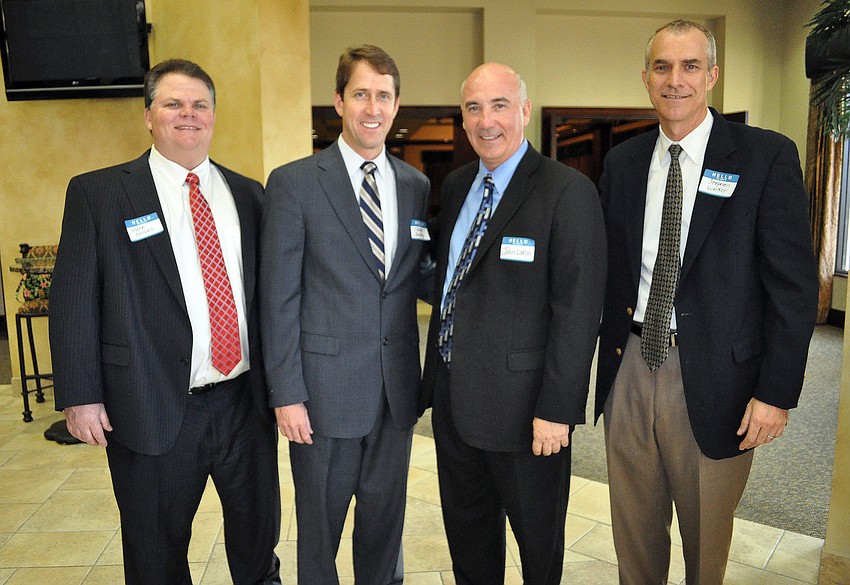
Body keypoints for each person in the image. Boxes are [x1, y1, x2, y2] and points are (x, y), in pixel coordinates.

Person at [596, 19, 819, 585]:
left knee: (705, 548)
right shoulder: (622, 164)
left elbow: (793, 288)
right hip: (630, 366)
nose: (676, 80)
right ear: (646, 78)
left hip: (719, 377)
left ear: (712, 75)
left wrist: (775, 393)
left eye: (690, 66)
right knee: (634, 540)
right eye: (663, 67)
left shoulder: (764, 156)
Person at [49, 59, 281, 585]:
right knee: (156, 554)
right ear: (149, 116)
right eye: (173, 104)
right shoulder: (100, 194)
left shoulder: (248, 195)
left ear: (214, 116)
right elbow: (73, 301)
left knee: (257, 542)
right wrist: (80, 395)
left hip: (244, 404)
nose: (188, 115)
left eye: (200, 105)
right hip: (150, 405)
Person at [419, 63, 607, 585]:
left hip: (528, 418)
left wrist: (557, 410)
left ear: (524, 110)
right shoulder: (457, 186)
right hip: (455, 406)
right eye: (474, 108)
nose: (486, 121)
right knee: (470, 546)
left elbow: (578, 311)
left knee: (537, 552)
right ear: (462, 117)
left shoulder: (567, 192)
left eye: (499, 105)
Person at [260, 45, 430, 584]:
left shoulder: (416, 186)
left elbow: (416, 278)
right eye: (361, 94)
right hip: (322, 396)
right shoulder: (294, 182)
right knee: (320, 534)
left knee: (384, 529)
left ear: (397, 105)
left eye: (383, 96)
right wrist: (287, 395)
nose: (372, 108)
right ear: (338, 101)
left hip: (395, 394)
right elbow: (278, 297)